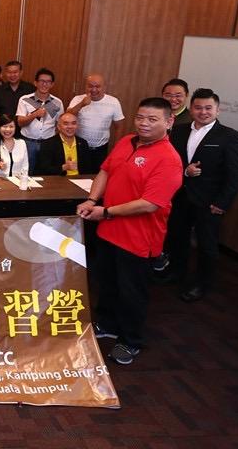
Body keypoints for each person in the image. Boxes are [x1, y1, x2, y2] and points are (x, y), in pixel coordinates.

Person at [76, 97, 183, 366]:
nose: (144, 124)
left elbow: (149, 204)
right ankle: (108, 324)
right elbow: (105, 171)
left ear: (169, 122)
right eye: (140, 117)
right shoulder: (127, 142)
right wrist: (92, 200)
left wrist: (107, 212)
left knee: (132, 292)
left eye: (152, 119)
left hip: (138, 239)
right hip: (109, 231)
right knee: (107, 282)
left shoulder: (169, 159)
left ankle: (130, 341)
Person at [165, 89, 238, 301]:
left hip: (209, 202)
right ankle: (176, 272)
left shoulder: (230, 136)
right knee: (177, 237)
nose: (203, 112)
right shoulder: (178, 131)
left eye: (208, 108)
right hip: (180, 197)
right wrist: (184, 171)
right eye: (198, 107)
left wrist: (222, 203)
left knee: (206, 245)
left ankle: (201, 284)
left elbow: (234, 175)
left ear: (218, 110)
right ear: (191, 109)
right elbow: (170, 163)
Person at [67, 74, 125, 173]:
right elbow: (67, 116)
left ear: (104, 87)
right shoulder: (78, 99)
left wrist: (116, 148)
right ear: (86, 86)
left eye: (97, 86)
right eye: (90, 86)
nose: (93, 90)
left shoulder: (113, 102)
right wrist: (82, 104)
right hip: (79, 146)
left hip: (101, 148)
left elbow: (119, 126)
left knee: (97, 176)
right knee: (76, 175)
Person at [16, 68, 64, 165]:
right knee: (27, 171)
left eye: (48, 82)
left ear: (52, 84)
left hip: (48, 144)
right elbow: (20, 122)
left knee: (46, 171)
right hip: (28, 143)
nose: (45, 84)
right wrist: (34, 115)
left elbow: (60, 125)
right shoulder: (25, 99)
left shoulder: (57, 102)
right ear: (35, 83)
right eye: (42, 81)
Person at [36, 112, 91, 177]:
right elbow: (43, 170)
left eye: (73, 123)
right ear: (59, 127)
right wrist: (64, 167)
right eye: (66, 123)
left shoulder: (83, 143)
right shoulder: (48, 144)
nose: (70, 127)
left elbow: (88, 168)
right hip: (59, 181)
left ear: (77, 126)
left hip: (80, 180)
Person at [0, 60, 35, 126]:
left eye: (15, 72)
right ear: (5, 73)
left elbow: (34, 109)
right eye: (9, 72)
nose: (12, 75)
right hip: (4, 129)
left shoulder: (30, 89)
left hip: (23, 129)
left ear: (21, 73)